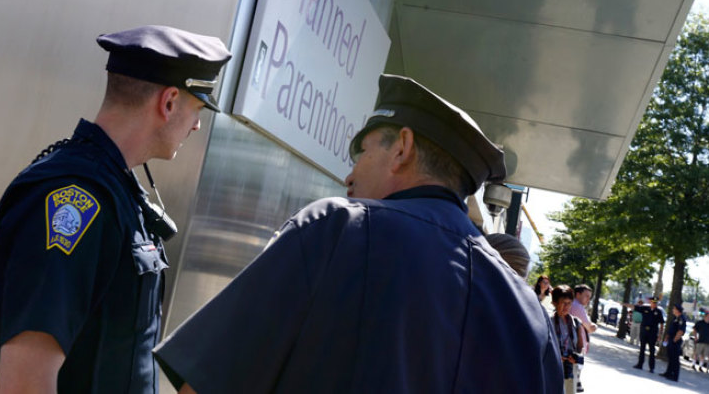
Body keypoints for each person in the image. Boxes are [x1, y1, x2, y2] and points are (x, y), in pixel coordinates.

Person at [153, 74, 564, 393]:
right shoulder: (531, 318)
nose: (349, 176)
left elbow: (210, 383)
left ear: (402, 148)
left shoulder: (337, 230)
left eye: (363, 152)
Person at [0, 25, 232, 393]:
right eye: (198, 107)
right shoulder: (73, 198)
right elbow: (24, 383)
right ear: (169, 102)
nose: (197, 124)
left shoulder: (118, 195)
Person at [552, 285, 585, 394]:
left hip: (570, 372)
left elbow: (581, 348)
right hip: (552, 370)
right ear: (555, 303)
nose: (566, 306)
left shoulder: (576, 322)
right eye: (563, 303)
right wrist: (555, 356)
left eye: (569, 303)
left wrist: (575, 357)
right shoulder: (548, 321)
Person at [569, 284, 597, 392]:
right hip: (576, 347)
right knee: (572, 382)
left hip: (573, 345)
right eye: (586, 296)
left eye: (590, 297)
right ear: (578, 294)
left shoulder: (574, 304)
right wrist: (595, 326)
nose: (588, 299)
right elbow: (589, 328)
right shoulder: (577, 306)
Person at [631, 296, 666, 373]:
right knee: (642, 348)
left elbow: (662, 324)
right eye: (653, 302)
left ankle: (651, 367)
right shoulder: (645, 309)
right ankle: (640, 364)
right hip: (644, 331)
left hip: (652, 333)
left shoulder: (659, 312)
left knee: (652, 350)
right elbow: (636, 307)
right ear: (650, 302)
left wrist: (660, 335)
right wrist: (625, 304)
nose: (654, 304)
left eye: (655, 303)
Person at [661, 303, 687, 381]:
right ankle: (668, 373)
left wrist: (675, 340)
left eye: (674, 309)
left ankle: (674, 376)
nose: (673, 310)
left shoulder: (681, 319)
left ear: (677, 310)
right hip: (671, 339)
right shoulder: (675, 318)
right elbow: (671, 329)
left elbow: (681, 331)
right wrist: (667, 338)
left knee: (675, 359)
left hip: (675, 341)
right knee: (671, 357)